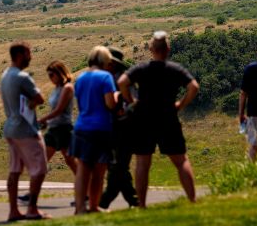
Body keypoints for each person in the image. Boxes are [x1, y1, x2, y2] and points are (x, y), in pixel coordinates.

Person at [118, 31, 199, 208]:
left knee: (142, 162)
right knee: (181, 160)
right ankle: (192, 200)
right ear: (168, 49)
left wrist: (132, 101)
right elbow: (193, 86)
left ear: (151, 49)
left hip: (143, 118)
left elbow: (122, 82)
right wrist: (180, 104)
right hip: (168, 117)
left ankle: (142, 205)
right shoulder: (174, 69)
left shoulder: (141, 68)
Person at [0, 41, 50, 221]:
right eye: (29, 53)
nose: (31, 57)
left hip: (10, 128)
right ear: (20, 55)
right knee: (40, 169)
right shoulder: (22, 77)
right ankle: (32, 209)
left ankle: (13, 210)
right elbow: (40, 98)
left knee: (14, 170)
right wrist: (33, 102)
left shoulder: (5, 75)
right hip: (26, 129)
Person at [71, 46, 117, 214]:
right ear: (105, 61)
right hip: (101, 128)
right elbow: (110, 104)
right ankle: (94, 206)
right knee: (99, 171)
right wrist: (116, 97)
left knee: (83, 170)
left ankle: (79, 207)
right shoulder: (105, 77)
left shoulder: (81, 78)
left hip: (81, 126)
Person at [99, 47, 139, 209]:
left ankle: (104, 200)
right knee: (117, 167)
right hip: (110, 128)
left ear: (112, 64)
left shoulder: (125, 81)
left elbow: (134, 102)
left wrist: (124, 110)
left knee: (119, 166)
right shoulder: (105, 80)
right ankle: (133, 199)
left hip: (124, 127)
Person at [38, 60, 77, 174]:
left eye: (51, 75)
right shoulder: (56, 89)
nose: (50, 78)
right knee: (42, 161)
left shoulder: (67, 88)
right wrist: (46, 122)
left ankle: (85, 187)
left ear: (60, 73)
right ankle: (33, 191)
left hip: (64, 129)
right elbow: (53, 110)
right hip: (53, 129)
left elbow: (59, 110)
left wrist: (42, 119)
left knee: (70, 161)